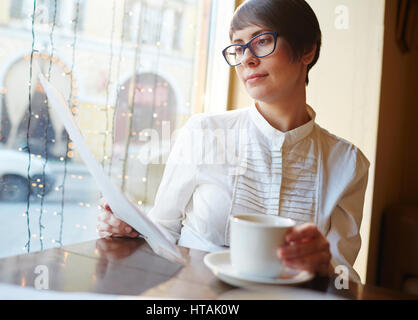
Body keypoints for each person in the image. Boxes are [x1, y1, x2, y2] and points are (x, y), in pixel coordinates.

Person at [97, 0, 369, 282]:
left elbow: (344, 277)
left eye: (262, 41)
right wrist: (128, 228)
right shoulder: (202, 132)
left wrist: (325, 266)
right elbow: (164, 232)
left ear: (307, 50)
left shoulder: (348, 163)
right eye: (238, 48)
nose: (247, 59)